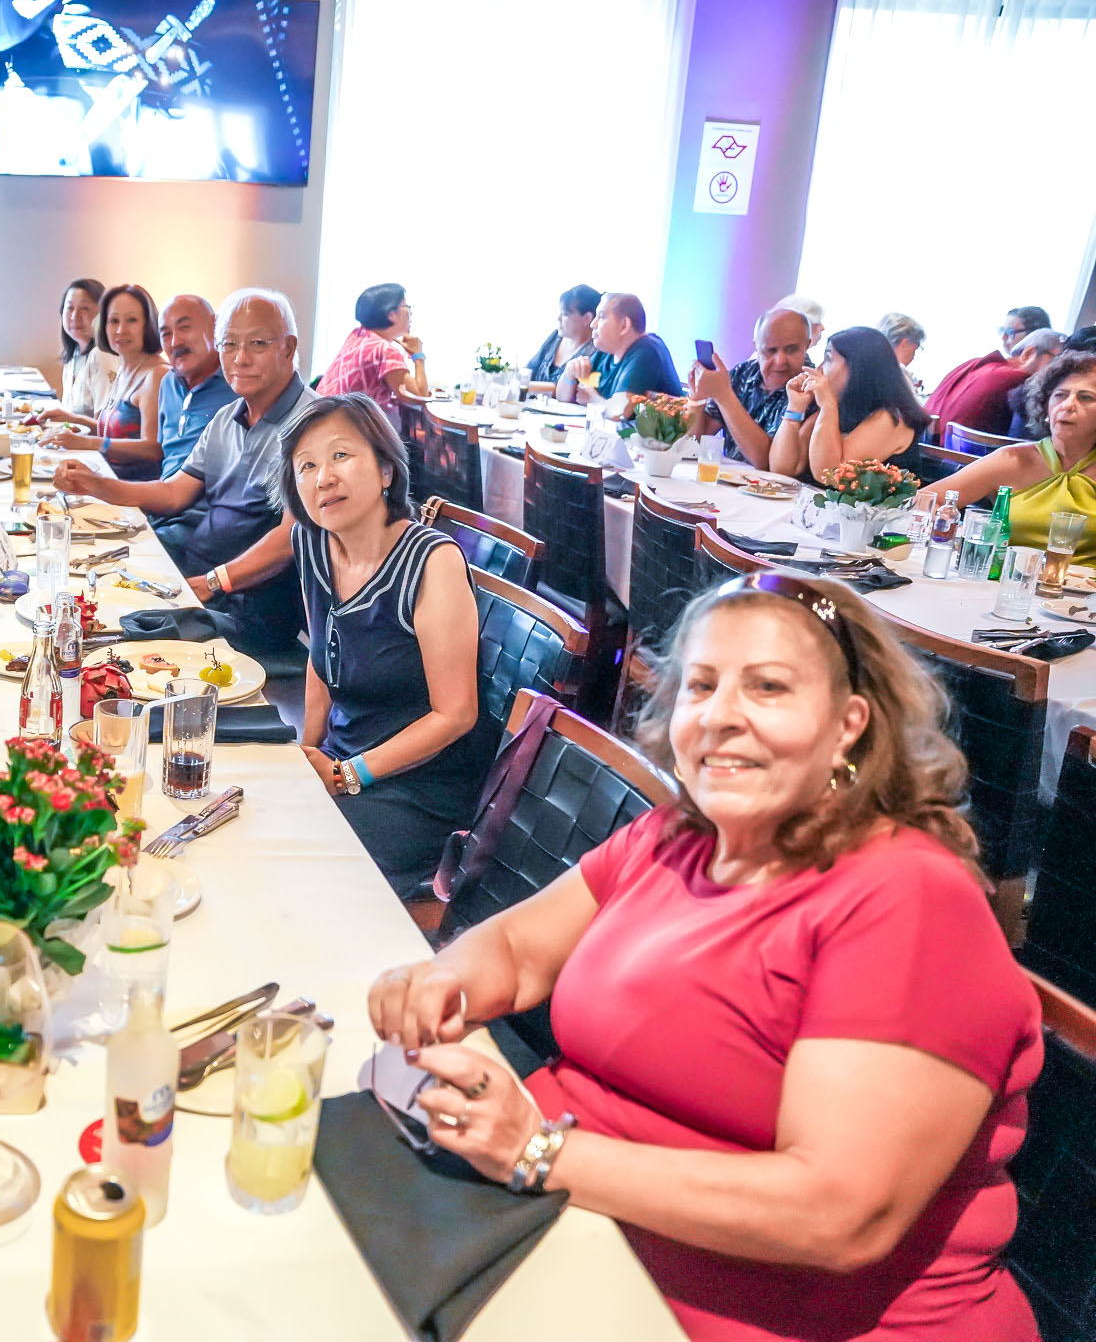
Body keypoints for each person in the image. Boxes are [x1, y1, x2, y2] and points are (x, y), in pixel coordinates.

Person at [366, 573, 1041, 1341]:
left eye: (768, 687)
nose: (721, 715)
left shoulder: (909, 900)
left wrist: (539, 1149)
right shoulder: (676, 837)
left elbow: (836, 1213)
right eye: (702, 685)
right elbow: (518, 950)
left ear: (848, 723)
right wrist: (443, 978)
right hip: (575, 1236)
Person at [281, 394, 489, 897]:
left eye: (340, 455)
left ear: (386, 471)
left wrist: (345, 776)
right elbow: (322, 654)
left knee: (291, 857)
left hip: (420, 787)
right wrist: (309, 752)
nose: (323, 478)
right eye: (306, 465)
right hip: (343, 756)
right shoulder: (311, 540)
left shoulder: (432, 563)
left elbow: (456, 715)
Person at [57, 289, 314, 657]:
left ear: (288, 348)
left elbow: (290, 536)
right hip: (196, 576)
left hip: (248, 609)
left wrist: (212, 583)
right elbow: (175, 492)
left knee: (107, 640)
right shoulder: (227, 417)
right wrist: (97, 485)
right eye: (229, 344)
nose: (240, 358)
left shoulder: (312, 423)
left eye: (257, 343)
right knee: (85, 596)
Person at [933, 351, 1096, 563]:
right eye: (1060, 395)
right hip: (1009, 579)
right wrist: (951, 535)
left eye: (1086, 397)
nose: (1067, 405)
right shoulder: (1014, 459)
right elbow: (929, 500)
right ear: (1045, 406)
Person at [770, 325, 932, 483]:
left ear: (858, 368)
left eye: (828, 359)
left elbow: (829, 476)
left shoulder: (890, 419)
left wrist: (828, 406)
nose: (819, 369)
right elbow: (782, 469)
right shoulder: (840, 408)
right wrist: (795, 408)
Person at [40, 283, 168, 477]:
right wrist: (71, 419)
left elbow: (153, 449)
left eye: (132, 320)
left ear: (148, 324)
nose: (120, 330)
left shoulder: (156, 374)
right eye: (113, 321)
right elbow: (111, 431)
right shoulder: (126, 367)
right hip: (106, 477)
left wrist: (88, 442)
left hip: (133, 488)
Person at [686, 308, 813, 470]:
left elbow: (766, 462)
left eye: (791, 350)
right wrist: (696, 398)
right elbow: (695, 443)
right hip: (728, 478)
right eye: (770, 350)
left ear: (807, 345)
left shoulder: (811, 389)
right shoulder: (742, 373)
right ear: (756, 347)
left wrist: (725, 396)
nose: (780, 361)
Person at [556, 293, 682, 412]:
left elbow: (621, 411)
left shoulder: (647, 350)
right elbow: (563, 397)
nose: (593, 324)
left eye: (601, 317)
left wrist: (592, 399)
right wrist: (569, 374)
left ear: (624, 325)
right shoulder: (607, 350)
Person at [154, 293, 234, 478]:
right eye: (166, 334)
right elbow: (164, 456)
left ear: (215, 326)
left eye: (184, 328)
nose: (175, 342)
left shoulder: (238, 384)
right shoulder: (168, 383)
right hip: (162, 492)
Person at [927, 324, 1056, 438]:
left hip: (924, 446)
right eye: (1057, 359)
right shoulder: (1021, 381)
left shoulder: (974, 363)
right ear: (1028, 354)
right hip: (954, 456)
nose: (1061, 367)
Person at [318, 283, 430, 409]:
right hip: (341, 419)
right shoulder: (384, 350)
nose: (411, 313)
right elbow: (419, 397)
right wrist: (418, 356)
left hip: (322, 414)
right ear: (392, 314)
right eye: (407, 307)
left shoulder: (358, 335)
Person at [57, 278, 120, 418]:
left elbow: (104, 425)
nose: (75, 316)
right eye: (70, 308)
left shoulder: (102, 355)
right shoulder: (74, 354)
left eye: (84, 309)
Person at [525, 285, 601, 384]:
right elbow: (529, 370)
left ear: (587, 318)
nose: (558, 318)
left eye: (565, 314)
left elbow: (577, 390)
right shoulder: (556, 336)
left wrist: (527, 387)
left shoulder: (596, 352)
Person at [878, 312, 926, 395]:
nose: (914, 357)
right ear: (905, 344)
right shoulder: (899, 374)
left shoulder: (869, 371)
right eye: (916, 349)